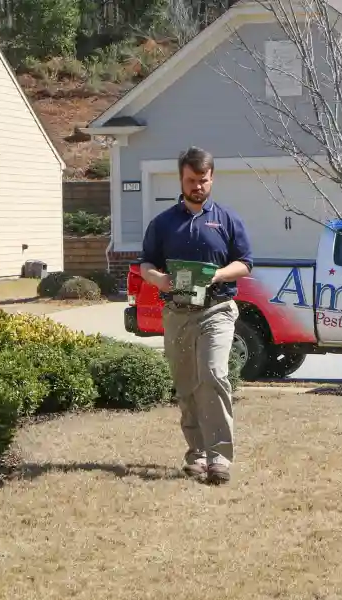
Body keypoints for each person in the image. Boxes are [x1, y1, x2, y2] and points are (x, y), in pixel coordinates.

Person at [138, 146, 253, 485]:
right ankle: (197, 455)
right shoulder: (163, 223)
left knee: (213, 374)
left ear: (212, 178)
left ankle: (219, 459)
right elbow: (146, 263)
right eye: (191, 180)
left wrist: (217, 275)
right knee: (186, 383)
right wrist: (158, 279)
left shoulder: (228, 220)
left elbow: (245, 263)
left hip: (216, 310)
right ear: (181, 179)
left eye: (203, 180)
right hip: (177, 313)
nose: (197, 186)